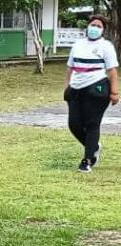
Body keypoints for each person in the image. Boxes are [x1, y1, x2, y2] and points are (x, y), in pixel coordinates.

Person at [65, 14, 119, 173]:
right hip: (76, 88)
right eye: (93, 25)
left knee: (92, 124)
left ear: (103, 30)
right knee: (73, 124)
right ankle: (94, 146)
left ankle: (87, 160)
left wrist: (114, 92)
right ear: (87, 26)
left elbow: (112, 71)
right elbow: (70, 67)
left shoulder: (106, 46)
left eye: (99, 26)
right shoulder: (78, 44)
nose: (95, 28)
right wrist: (67, 86)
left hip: (97, 89)